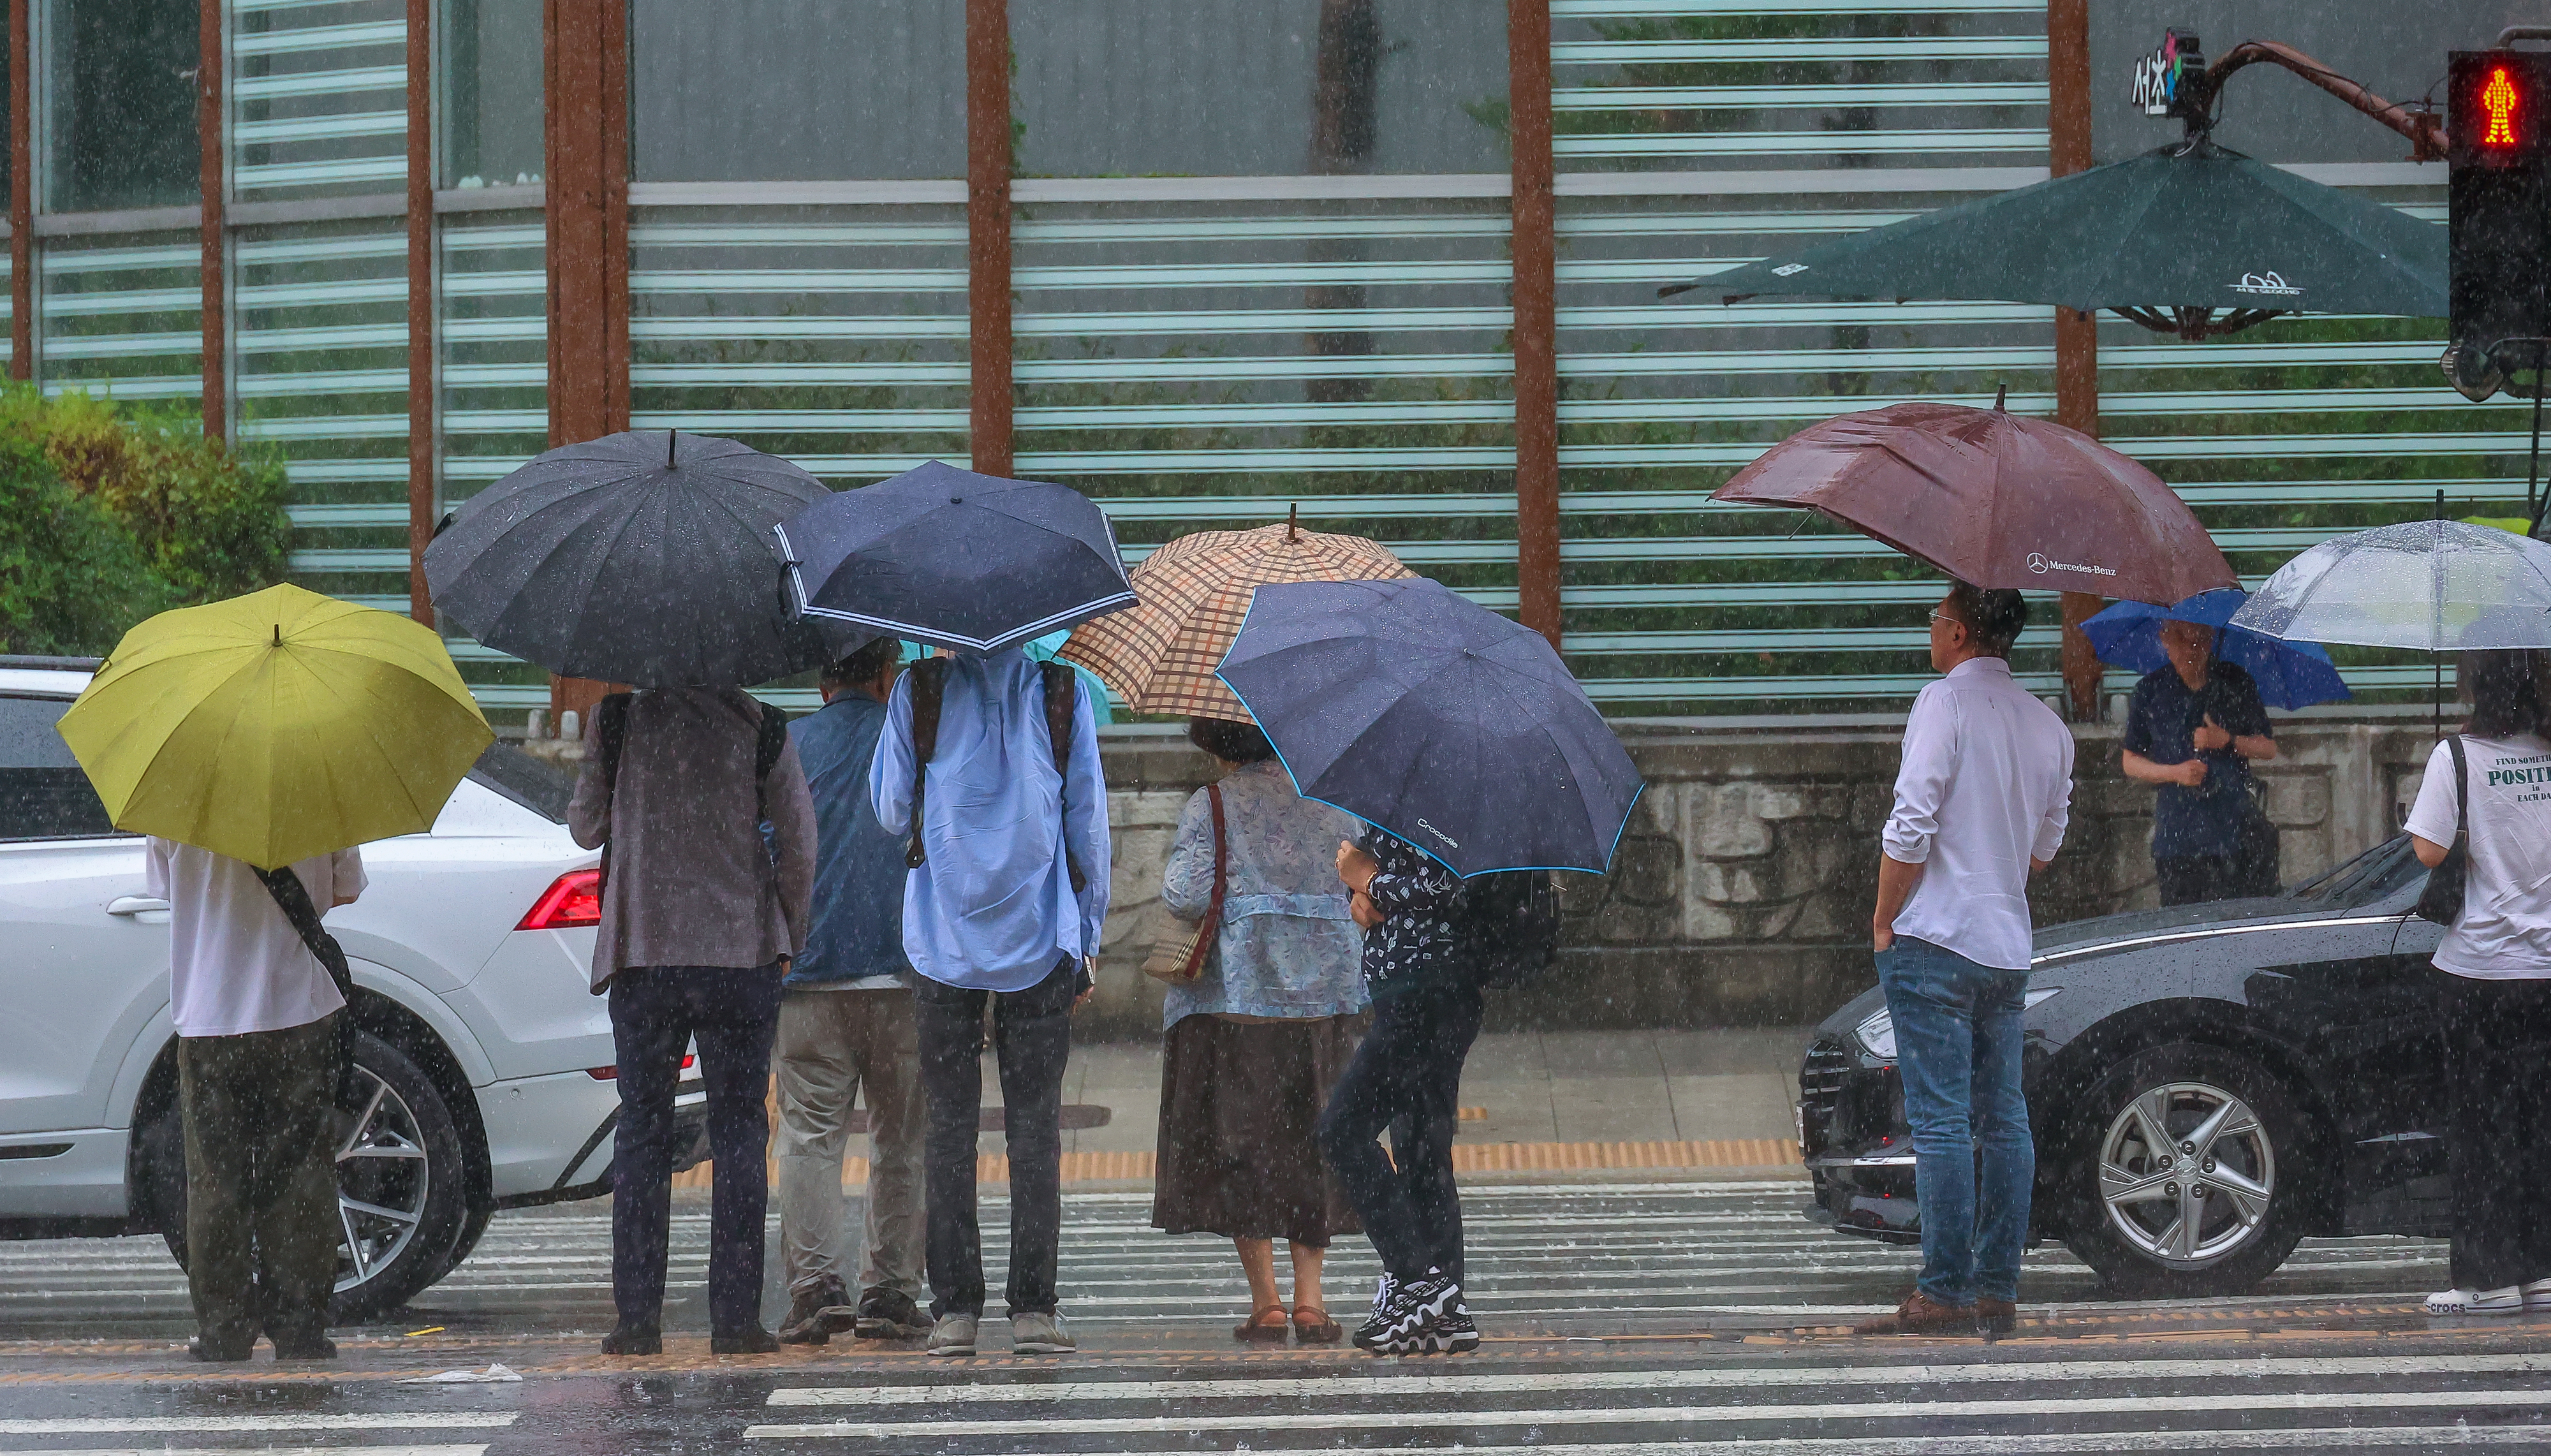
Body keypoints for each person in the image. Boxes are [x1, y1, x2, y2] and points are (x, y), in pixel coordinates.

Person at [871, 646, 1110, 1358]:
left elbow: (889, 812)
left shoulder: (921, 691)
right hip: (1039, 940)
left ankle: (956, 1312)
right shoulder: (1063, 693)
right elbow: (1086, 825)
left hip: (942, 941)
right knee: (1034, 1130)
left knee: (948, 1128)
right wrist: (1088, 933)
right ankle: (1034, 1310)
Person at [569, 687, 816, 1357]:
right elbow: (798, 840)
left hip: (646, 954)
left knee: (643, 1129)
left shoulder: (617, 719)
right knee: (738, 1128)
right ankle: (735, 1321)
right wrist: (787, 931)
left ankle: (637, 1321)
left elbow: (584, 828)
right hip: (740, 957)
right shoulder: (760, 724)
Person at [1855, 583, 2073, 1337]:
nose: (1931, 629)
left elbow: (1909, 822)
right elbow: (2045, 848)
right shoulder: (2049, 726)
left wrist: (1885, 918)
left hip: (1937, 941)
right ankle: (1994, 1287)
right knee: (2004, 1120)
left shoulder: (1940, 705)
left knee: (1941, 1123)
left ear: (1955, 631)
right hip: (2007, 949)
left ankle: (1942, 1290)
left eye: (1935, 617)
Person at [1152, 716, 1368, 1345]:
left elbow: (1184, 897)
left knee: (1243, 1145)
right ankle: (1310, 1300)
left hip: (1239, 1002)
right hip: (1324, 1001)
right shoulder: (1333, 806)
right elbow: (1358, 880)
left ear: (1219, 746)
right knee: (1312, 1141)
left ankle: (1266, 1303)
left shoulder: (1211, 805)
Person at [147, 837, 364, 1362]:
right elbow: (346, 889)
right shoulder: (317, 777)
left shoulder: (177, 796)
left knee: (214, 1180)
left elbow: (165, 889)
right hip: (298, 1008)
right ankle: (300, 1327)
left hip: (209, 1016)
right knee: (300, 1178)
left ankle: (224, 1329)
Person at [772, 640, 933, 1346]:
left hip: (808, 972)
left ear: (821, 682)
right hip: (908, 971)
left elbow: (766, 848)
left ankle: (816, 1289)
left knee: (808, 1136)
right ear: (886, 674)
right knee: (903, 1140)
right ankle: (892, 1292)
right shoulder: (918, 744)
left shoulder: (786, 746)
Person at [2406, 648, 2551, 1317]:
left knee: (2480, 1128)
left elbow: (2428, 851)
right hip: (2544, 971)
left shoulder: (2457, 757)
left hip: (2479, 970)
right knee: (2535, 1124)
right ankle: (2540, 1270)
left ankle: (2487, 1278)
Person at [1316, 821, 1479, 1356]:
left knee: (1343, 1129)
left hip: (1425, 993)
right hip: (1421, 989)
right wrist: (1364, 897)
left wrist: (1369, 878)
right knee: (1421, 1149)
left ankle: (1416, 1278)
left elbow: (1449, 880)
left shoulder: (1441, 788)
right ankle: (1443, 1306)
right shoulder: (1410, 785)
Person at [2119, 619, 2279, 904]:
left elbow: (2268, 748)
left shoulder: (2235, 682)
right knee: (2182, 931)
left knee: (2237, 926)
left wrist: (2228, 741)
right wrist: (2175, 773)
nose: (2192, 648)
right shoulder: (2151, 690)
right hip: (2177, 838)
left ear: (2212, 638)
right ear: (2165, 639)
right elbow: (2130, 761)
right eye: (2182, 638)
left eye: (2201, 639)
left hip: (2234, 833)